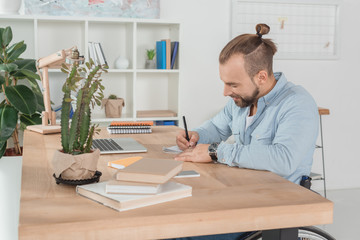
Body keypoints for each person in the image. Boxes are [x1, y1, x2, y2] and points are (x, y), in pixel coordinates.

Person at [171, 22, 319, 240]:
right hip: (239, 194)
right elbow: (217, 126)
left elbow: (284, 159)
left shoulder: (297, 103)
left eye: (233, 84)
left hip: (271, 207)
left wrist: (215, 151)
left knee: (181, 233)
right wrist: (196, 135)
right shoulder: (242, 100)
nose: (225, 92)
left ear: (261, 76)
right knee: (176, 217)